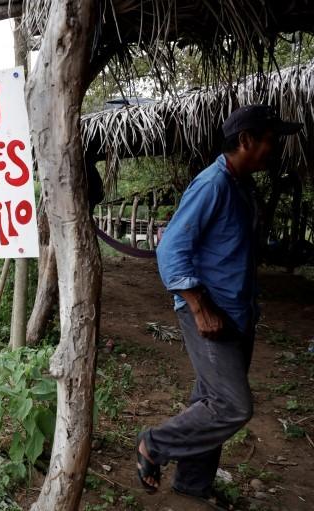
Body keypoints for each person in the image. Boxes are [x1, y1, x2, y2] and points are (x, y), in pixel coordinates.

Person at [135, 105, 302, 501]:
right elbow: (172, 248)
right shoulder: (213, 185)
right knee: (231, 405)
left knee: (210, 400)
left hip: (237, 312)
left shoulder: (242, 185)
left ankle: (193, 483)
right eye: (270, 139)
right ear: (246, 141)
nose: (275, 148)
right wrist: (198, 306)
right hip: (209, 313)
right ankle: (152, 445)